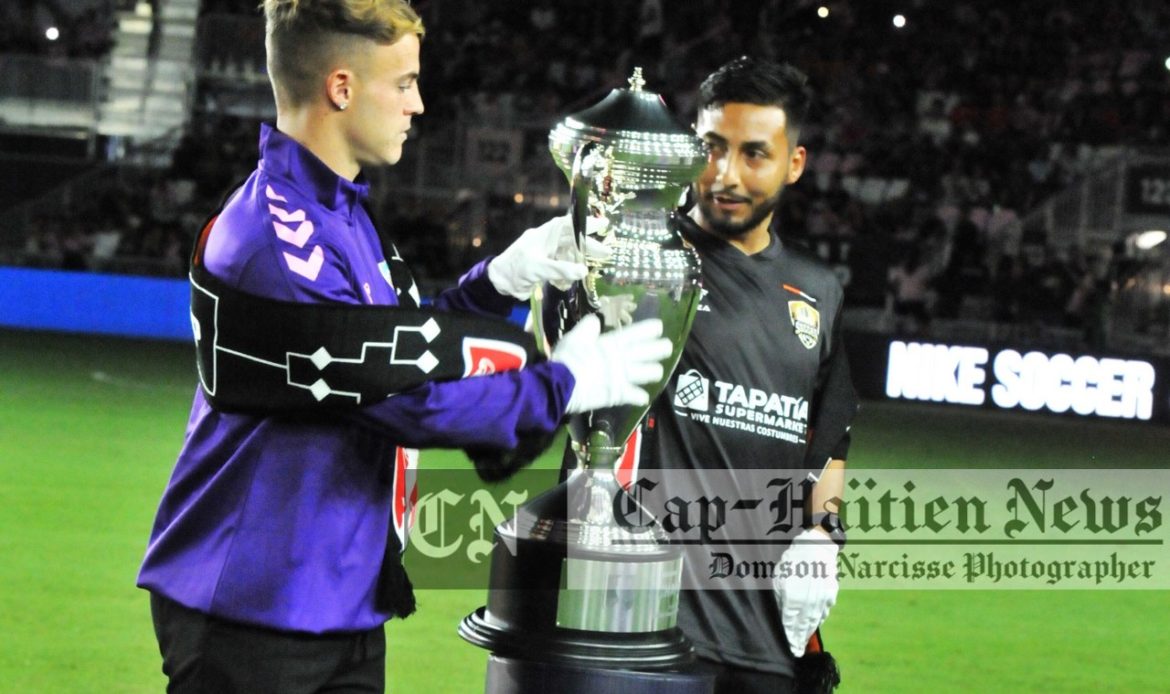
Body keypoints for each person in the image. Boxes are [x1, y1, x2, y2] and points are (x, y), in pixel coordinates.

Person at [136, 1, 671, 692]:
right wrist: (561, 385)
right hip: (253, 606)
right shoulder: (278, 238)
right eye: (405, 82)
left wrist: (500, 279)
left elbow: (399, 351)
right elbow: (401, 399)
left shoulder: (343, 215)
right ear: (341, 87)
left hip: (342, 602)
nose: (418, 104)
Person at [596, 57, 857, 693]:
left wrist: (823, 536)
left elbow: (828, 444)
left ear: (794, 163)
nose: (726, 175)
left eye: (754, 155)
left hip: (769, 637)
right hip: (647, 626)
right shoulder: (642, 260)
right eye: (712, 149)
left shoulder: (819, 293)